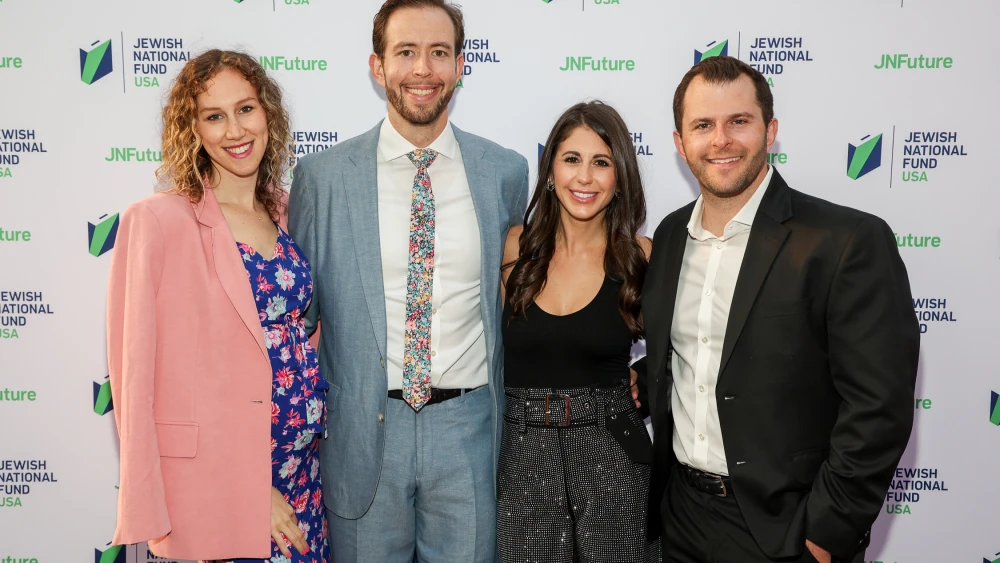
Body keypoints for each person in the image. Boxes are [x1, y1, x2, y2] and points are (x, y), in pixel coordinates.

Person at [635, 56, 919, 563]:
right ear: (680, 143)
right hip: (682, 521)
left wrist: (827, 532)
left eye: (738, 121)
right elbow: (709, 347)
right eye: (703, 125)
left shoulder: (846, 241)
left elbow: (878, 407)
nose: (720, 139)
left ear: (771, 130)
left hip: (786, 532)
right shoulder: (672, 236)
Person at [286, 1, 528, 561]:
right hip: (362, 434)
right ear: (377, 66)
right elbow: (296, 326)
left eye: (439, 53)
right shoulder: (322, 179)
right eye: (406, 52)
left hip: (469, 430)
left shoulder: (504, 172)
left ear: (461, 65)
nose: (423, 69)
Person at [106, 50, 329, 563]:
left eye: (246, 108)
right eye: (214, 116)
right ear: (194, 131)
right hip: (223, 487)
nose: (235, 129)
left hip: (305, 478)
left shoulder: (288, 211)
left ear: (268, 113)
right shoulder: (159, 222)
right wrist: (251, 489)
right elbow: (139, 379)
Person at [497, 101, 660, 563]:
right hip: (524, 459)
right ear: (550, 172)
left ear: (619, 177)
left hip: (614, 456)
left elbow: (687, 349)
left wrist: (643, 380)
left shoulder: (640, 256)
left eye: (601, 162)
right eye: (571, 159)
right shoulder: (515, 249)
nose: (584, 178)